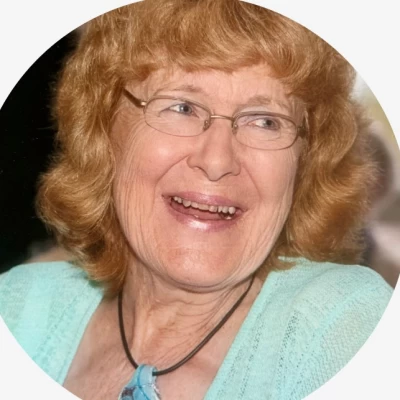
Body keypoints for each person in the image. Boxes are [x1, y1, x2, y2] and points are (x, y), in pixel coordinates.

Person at [0, 1, 393, 399]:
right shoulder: (16, 308)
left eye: (264, 120)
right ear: (103, 131)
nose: (217, 161)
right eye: (182, 107)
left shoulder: (343, 327)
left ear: (305, 162)